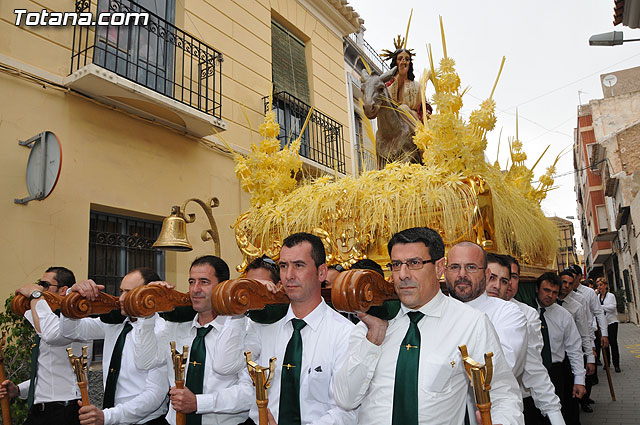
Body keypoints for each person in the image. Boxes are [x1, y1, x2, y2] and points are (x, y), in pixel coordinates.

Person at [334, 227, 523, 425]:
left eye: (414, 263)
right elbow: (345, 399)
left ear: (439, 267)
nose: (403, 275)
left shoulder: (471, 323)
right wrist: (372, 340)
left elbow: (503, 394)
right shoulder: (372, 323)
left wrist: (504, 421)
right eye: (397, 265)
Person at [206, 232, 357, 425]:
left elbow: (345, 411)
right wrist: (242, 304)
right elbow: (224, 366)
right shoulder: (265, 326)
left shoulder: (344, 333)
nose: (289, 275)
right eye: (283, 266)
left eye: (299, 265)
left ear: (321, 272)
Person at [132, 256, 249, 425]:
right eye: (191, 282)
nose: (195, 289)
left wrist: (198, 402)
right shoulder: (175, 328)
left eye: (204, 282)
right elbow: (145, 361)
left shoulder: (242, 329)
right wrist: (148, 310)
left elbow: (249, 393)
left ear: (222, 287)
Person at [60, 268, 170, 425]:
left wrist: (107, 417)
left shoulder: (162, 330)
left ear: (149, 296)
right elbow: (70, 330)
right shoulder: (115, 324)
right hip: (112, 418)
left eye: (129, 292)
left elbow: (154, 395)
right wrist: (72, 296)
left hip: (146, 421)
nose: (121, 298)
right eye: (121, 291)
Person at [0, 267, 88, 425]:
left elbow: (50, 334)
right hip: (41, 411)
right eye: (39, 285)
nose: (40, 289)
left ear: (63, 290)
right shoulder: (47, 319)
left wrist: (35, 296)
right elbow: (48, 372)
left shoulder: (73, 320)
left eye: (45, 285)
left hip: (64, 411)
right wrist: (19, 390)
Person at [445, 247, 528, 378]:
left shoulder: (507, 313)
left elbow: (500, 370)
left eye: (471, 267)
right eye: (454, 267)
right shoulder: (432, 311)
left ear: (486, 274)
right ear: (444, 272)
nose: (462, 274)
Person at [500, 256, 564, 425]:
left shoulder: (527, 315)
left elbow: (534, 366)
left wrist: (554, 413)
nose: (506, 282)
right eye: (496, 277)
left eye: (512, 277)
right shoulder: (470, 312)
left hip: (522, 397)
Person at [535, 272, 586, 425]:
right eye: (546, 290)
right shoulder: (525, 312)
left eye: (554, 292)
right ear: (537, 289)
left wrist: (579, 380)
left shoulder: (564, 316)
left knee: (556, 413)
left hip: (555, 371)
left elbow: (574, 349)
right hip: (533, 371)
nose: (550, 296)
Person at [557, 270, 595, 418]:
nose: (566, 286)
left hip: (570, 354)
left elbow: (585, 334)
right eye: (564, 282)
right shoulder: (547, 301)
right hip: (552, 357)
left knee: (571, 396)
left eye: (570, 283)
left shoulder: (576, 306)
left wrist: (590, 358)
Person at [385, 48, 431, 128]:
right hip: (394, 121)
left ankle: (419, 132)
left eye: (407, 59)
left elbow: (423, 106)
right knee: (402, 108)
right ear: (395, 62)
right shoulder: (389, 84)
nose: (404, 61)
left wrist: (426, 114)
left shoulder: (417, 85)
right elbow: (390, 100)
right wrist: (400, 76)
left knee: (403, 109)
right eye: (400, 59)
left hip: (413, 119)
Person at [596, 278, 620, 373]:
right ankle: (607, 363)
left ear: (606, 285)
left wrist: (601, 307)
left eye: (601, 285)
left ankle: (616, 364)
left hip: (612, 322)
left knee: (613, 343)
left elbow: (612, 307)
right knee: (604, 344)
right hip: (603, 323)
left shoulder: (611, 296)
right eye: (598, 285)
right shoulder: (597, 297)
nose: (599, 287)